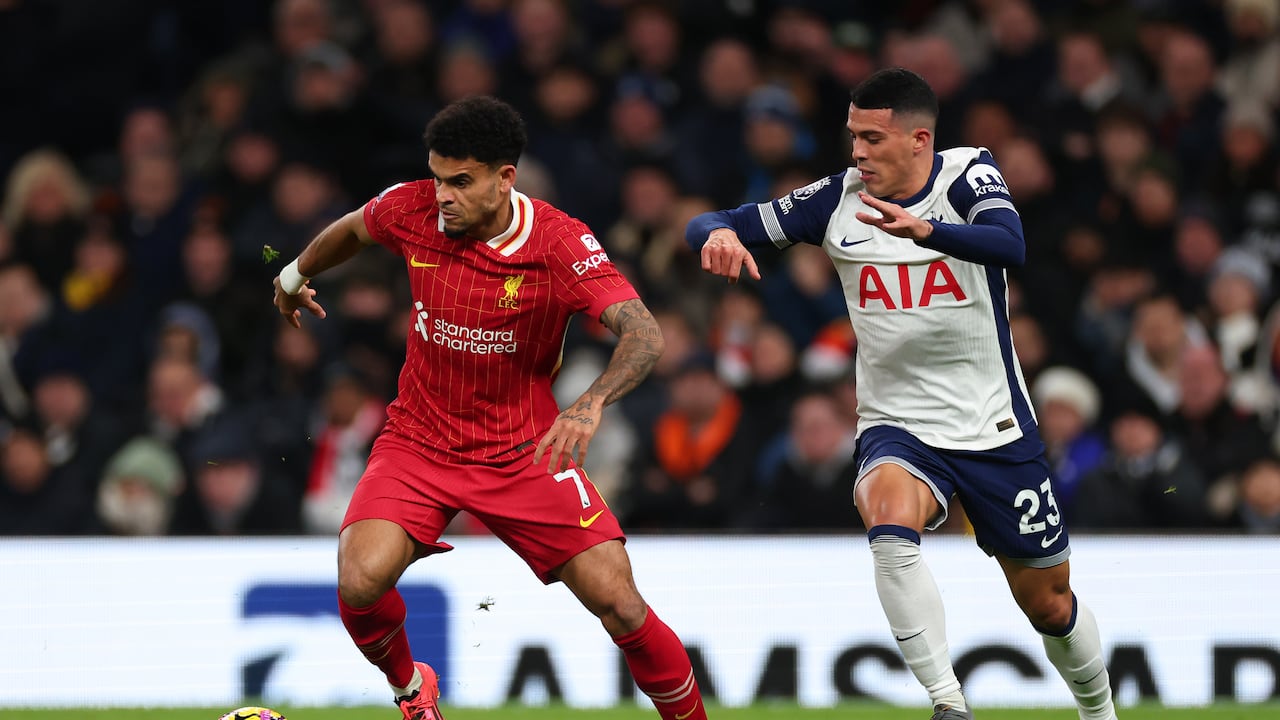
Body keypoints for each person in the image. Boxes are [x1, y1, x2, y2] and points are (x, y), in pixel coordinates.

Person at [686, 68, 1118, 720]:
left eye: (871, 138)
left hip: (994, 425)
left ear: (919, 141)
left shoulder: (969, 175)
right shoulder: (836, 199)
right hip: (898, 422)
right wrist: (716, 234)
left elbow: (1011, 244)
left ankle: (1100, 712)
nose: (857, 152)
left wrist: (928, 232)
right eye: (852, 136)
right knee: (887, 518)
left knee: (1050, 603)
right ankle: (949, 704)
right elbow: (711, 221)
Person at [272, 95, 707, 720]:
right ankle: (410, 689)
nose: (443, 195)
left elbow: (645, 334)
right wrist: (292, 275)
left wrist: (588, 404)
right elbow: (352, 229)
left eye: (461, 181)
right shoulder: (414, 207)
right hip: (418, 442)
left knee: (623, 607)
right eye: (438, 177)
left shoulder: (559, 243)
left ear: (506, 179)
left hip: (523, 450)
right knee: (359, 583)